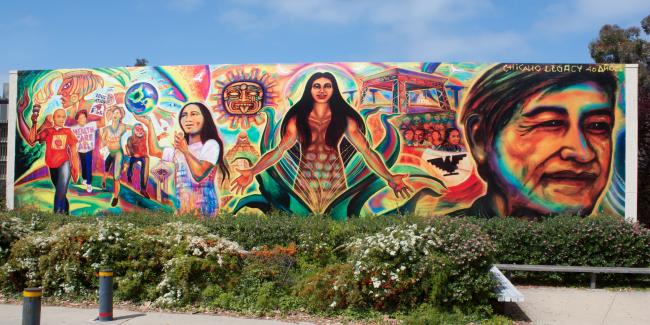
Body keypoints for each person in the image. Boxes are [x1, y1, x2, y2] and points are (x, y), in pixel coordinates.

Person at [230, 71, 412, 213]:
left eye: (327, 86)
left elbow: (367, 151)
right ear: (310, 89)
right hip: (304, 183)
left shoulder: (345, 119)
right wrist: (253, 171)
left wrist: (389, 177)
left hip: (335, 182)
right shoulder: (297, 119)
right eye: (317, 86)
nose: (322, 90)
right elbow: (279, 151)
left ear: (334, 90)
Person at [453, 64, 618, 218]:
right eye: (550, 123)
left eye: (598, 125)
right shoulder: (447, 239)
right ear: (480, 140)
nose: (582, 153)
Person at [134, 102, 229, 217]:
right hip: (183, 212)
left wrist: (185, 151)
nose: (188, 119)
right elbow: (155, 151)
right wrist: (149, 124)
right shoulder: (180, 150)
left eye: (194, 114)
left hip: (206, 212)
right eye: (184, 115)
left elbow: (199, 174)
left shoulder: (211, 144)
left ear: (205, 119)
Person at [26, 107, 80, 214]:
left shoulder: (68, 131)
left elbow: (73, 151)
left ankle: (57, 213)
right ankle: (66, 213)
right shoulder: (48, 131)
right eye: (59, 116)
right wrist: (34, 123)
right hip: (52, 165)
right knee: (61, 191)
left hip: (65, 163)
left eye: (63, 117)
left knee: (61, 188)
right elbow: (32, 140)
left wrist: (75, 168)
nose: (61, 119)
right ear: (53, 118)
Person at [70, 109, 104, 193]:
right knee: (83, 165)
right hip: (80, 150)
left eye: (84, 117)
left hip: (89, 150)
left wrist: (102, 110)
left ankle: (89, 184)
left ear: (86, 118)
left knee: (88, 166)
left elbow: (103, 123)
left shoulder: (91, 125)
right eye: (80, 118)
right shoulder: (73, 128)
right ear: (77, 119)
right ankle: (85, 179)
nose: (82, 119)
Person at [100, 105, 128, 207]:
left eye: (117, 113)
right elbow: (102, 142)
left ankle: (115, 197)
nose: (115, 115)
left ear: (121, 115)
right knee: (106, 170)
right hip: (109, 152)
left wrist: (126, 162)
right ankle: (103, 181)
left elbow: (135, 129)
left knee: (116, 176)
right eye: (113, 113)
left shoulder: (123, 127)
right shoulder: (106, 129)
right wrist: (103, 140)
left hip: (118, 153)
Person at [125, 123, 150, 199]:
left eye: (141, 129)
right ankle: (129, 176)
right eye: (137, 129)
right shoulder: (130, 138)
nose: (140, 131)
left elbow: (151, 140)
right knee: (131, 165)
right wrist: (134, 154)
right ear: (134, 131)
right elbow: (129, 149)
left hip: (143, 156)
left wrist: (159, 137)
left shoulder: (145, 135)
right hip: (134, 155)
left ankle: (143, 189)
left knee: (146, 162)